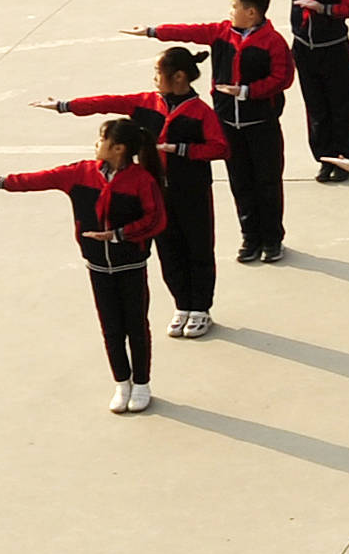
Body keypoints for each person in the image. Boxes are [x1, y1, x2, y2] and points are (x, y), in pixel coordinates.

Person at [0, 118, 171, 415]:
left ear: (119, 149)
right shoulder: (81, 173)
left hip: (131, 265)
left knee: (136, 327)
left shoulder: (142, 180)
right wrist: (3, 182)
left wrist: (118, 235)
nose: (96, 144)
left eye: (101, 140)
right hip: (98, 267)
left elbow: (155, 220)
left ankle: (142, 383)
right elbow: (42, 179)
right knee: (110, 328)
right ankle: (121, 383)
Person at [45, 48, 231, 339]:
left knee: (198, 248)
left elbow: (220, 147)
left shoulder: (200, 112)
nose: (154, 79)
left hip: (192, 192)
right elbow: (107, 102)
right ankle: (182, 305)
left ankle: (201, 308)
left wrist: (183, 150)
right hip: (155, 193)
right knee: (168, 251)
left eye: (158, 73)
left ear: (179, 76)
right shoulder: (146, 104)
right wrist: (67, 105)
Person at [133, 0, 295, 264]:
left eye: (234, 7)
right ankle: (250, 236)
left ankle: (272, 238)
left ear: (251, 12)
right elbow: (188, 32)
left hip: (261, 123)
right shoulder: (221, 33)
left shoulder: (273, 41)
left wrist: (247, 92)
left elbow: (283, 78)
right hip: (228, 123)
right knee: (240, 181)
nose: (230, 11)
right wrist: (153, 31)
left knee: (267, 181)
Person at [198, 0, 349, 185]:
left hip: (333, 49)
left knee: (341, 105)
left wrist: (323, 8)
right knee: (315, 106)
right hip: (305, 49)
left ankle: (343, 157)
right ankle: (324, 157)